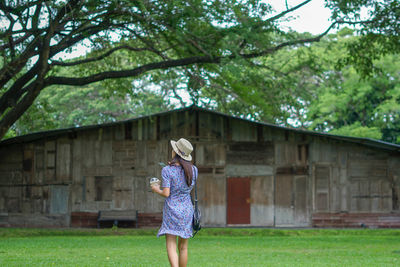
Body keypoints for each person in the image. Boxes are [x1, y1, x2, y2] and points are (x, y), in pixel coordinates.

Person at [151, 138, 198, 267]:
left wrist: (156, 189)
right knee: (183, 247)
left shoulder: (167, 170)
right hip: (187, 209)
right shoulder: (194, 170)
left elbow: (166, 193)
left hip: (172, 209)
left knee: (171, 244)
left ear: (175, 152)